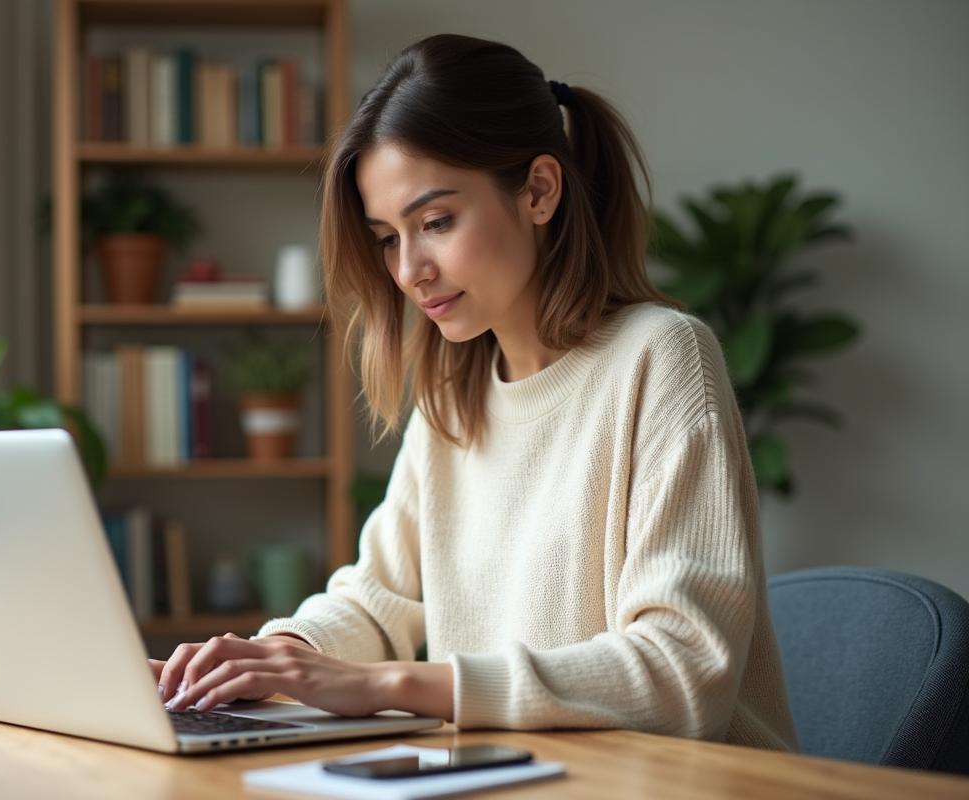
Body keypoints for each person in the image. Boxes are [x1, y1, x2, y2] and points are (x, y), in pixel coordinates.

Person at [151, 33, 798, 751]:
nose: (408, 271)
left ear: (540, 191)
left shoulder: (662, 357)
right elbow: (377, 601)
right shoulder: (453, 394)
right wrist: (262, 661)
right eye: (387, 238)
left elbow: (684, 673)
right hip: (529, 776)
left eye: (434, 223)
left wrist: (395, 685)